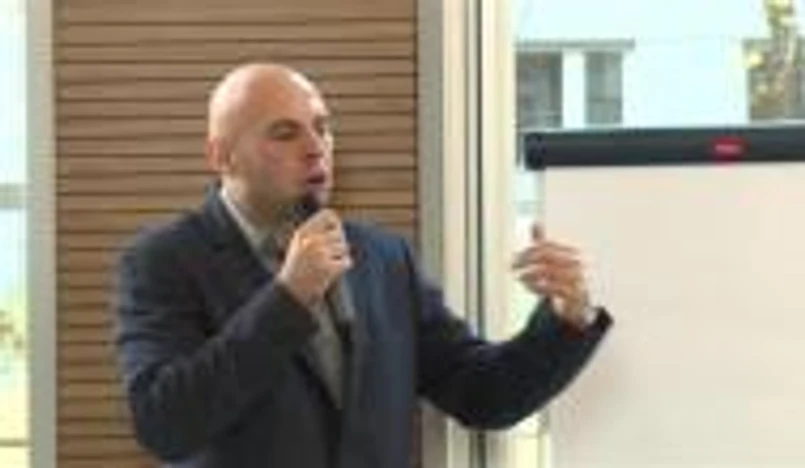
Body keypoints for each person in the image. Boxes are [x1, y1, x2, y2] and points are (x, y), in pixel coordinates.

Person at [114, 63, 612, 468]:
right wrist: (288, 298)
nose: (315, 148)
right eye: (285, 133)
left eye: (322, 128)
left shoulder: (382, 257)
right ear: (222, 156)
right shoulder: (165, 260)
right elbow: (165, 424)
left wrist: (566, 318)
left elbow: (484, 395)